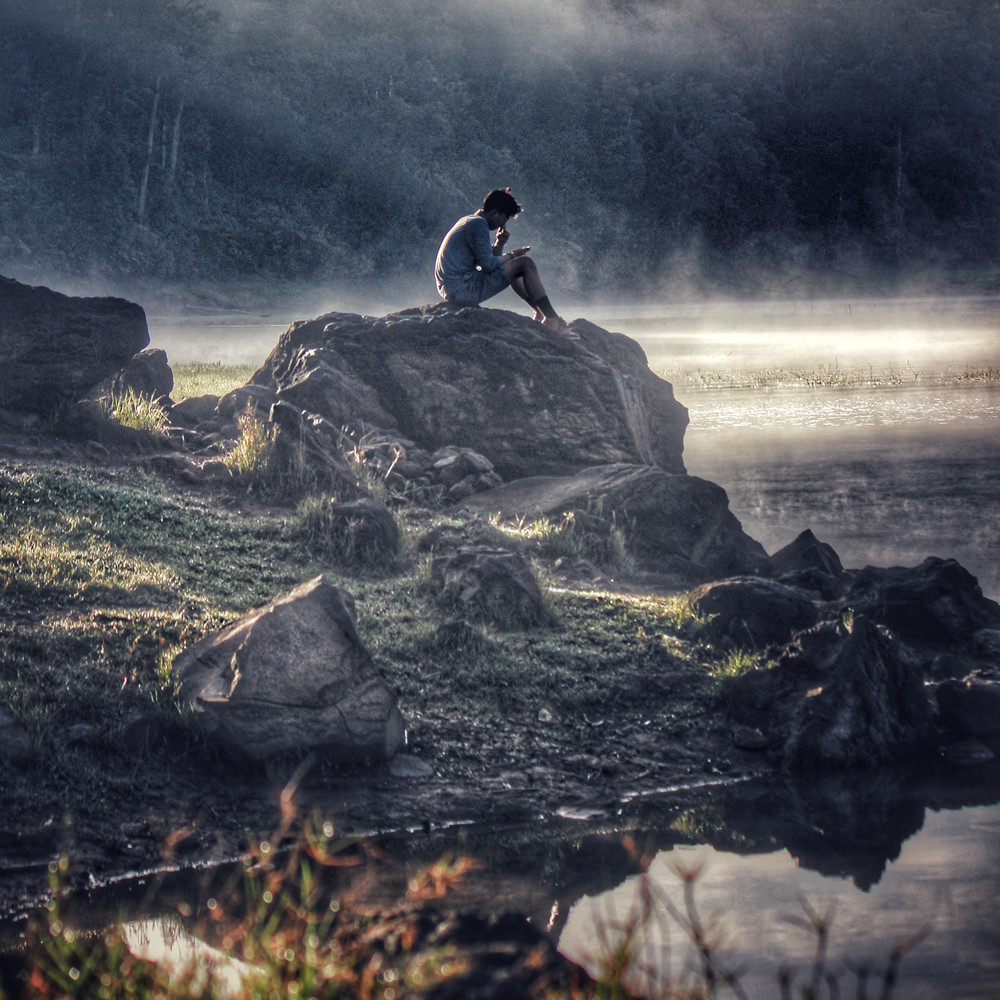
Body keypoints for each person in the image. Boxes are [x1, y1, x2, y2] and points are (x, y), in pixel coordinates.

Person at [434, 188, 578, 339]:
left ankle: (540, 312)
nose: (502, 224)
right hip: (462, 290)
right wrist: (513, 254)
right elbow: (489, 265)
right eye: (504, 218)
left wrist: (499, 244)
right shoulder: (479, 225)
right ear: (494, 213)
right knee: (525, 263)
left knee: (515, 268)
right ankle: (553, 320)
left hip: (453, 288)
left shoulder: (469, 221)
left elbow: (489, 262)